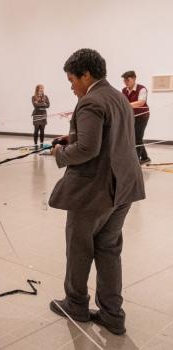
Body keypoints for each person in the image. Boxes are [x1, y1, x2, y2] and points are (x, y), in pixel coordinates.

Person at [48, 49, 145, 335]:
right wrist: (74, 137)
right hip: (124, 188)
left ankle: (76, 304)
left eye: (72, 79)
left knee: (79, 249)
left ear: (86, 75)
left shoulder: (90, 101)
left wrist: (60, 152)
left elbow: (87, 149)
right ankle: (113, 314)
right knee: (109, 250)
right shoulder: (118, 97)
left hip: (95, 191)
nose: (71, 86)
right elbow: (109, 137)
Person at [121, 71, 151, 165]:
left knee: (137, 137)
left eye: (128, 80)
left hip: (142, 116)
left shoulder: (142, 89)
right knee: (136, 137)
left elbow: (141, 102)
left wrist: (126, 105)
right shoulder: (124, 90)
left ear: (134, 78)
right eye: (124, 80)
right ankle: (145, 158)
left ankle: (136, 162)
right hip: (132, 116)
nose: (126, 82)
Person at [31, 84, 50, 148]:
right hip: (36, 115)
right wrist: (43, 104)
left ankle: (41, 144)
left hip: (43, 115)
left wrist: (39, 103)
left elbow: (48, 105)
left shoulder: (45, 97)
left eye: (43, 88)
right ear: (37, 89)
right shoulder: (33, 97)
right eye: (41, 88)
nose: (42, 89)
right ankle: (35, 144)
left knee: (42, 130)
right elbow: (35, 105)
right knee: (36, 130)